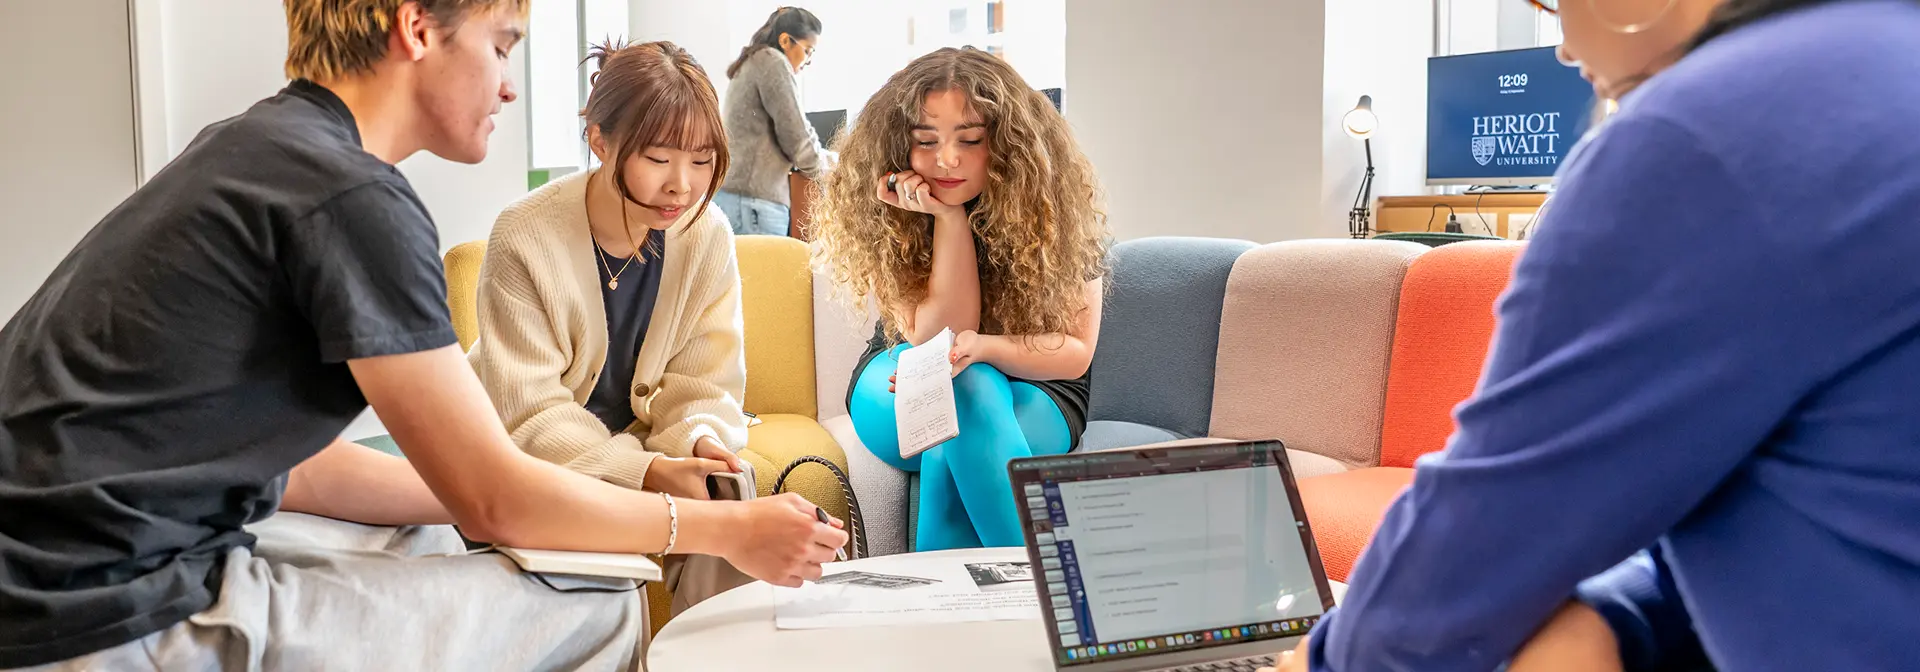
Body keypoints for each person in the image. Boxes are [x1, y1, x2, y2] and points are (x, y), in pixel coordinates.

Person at [0, 2, 845, 670]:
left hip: (43, 575)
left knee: (451, 538)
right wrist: (726, 529)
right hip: (105, 617)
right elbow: (498, 495)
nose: (510, 87)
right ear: (416, 27)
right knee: (597, 606)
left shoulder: (252, 149)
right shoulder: (353, 197)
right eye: (503, 45)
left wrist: (507, 504)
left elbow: (292, 466)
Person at [1266, 0, 1920, 670]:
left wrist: (1324, 661)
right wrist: (1617, 615)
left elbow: (1483, 540)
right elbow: (1797, 505)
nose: (1564, 51)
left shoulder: (1699, 133)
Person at [467, 39, 755, 615]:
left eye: (702, 160)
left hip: (640, 442)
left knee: (727, 485)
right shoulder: (526, 234)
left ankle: (712, 653)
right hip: (528, 452)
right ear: (600, 141)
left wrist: (698, 443)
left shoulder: (706, 232)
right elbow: (530, 415)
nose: (683, 184)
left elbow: (704, 384)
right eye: (658, 158)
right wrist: (646, 472)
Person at [811, 47, 1109, 552]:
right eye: (925, 142)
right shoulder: (892, 219)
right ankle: (1045, 595)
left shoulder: (1061, 217)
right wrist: (947, 219)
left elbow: (1075, 352)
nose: (946, 159)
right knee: (958, 393)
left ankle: (940, 609)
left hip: (1038, 388)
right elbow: (936, 338)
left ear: (1009, 145)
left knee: (963, 403)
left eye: (969, 140)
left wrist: (986, 348)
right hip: (902, 374)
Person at [715, 6, 832, 236]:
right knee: (765, 272)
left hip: (740, 200)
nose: (808, 61)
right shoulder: (773, 62)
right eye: (808, 51)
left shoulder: (754, 61)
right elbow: (797, 136)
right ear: (786, 40)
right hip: (753, 205)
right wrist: (827, 171)